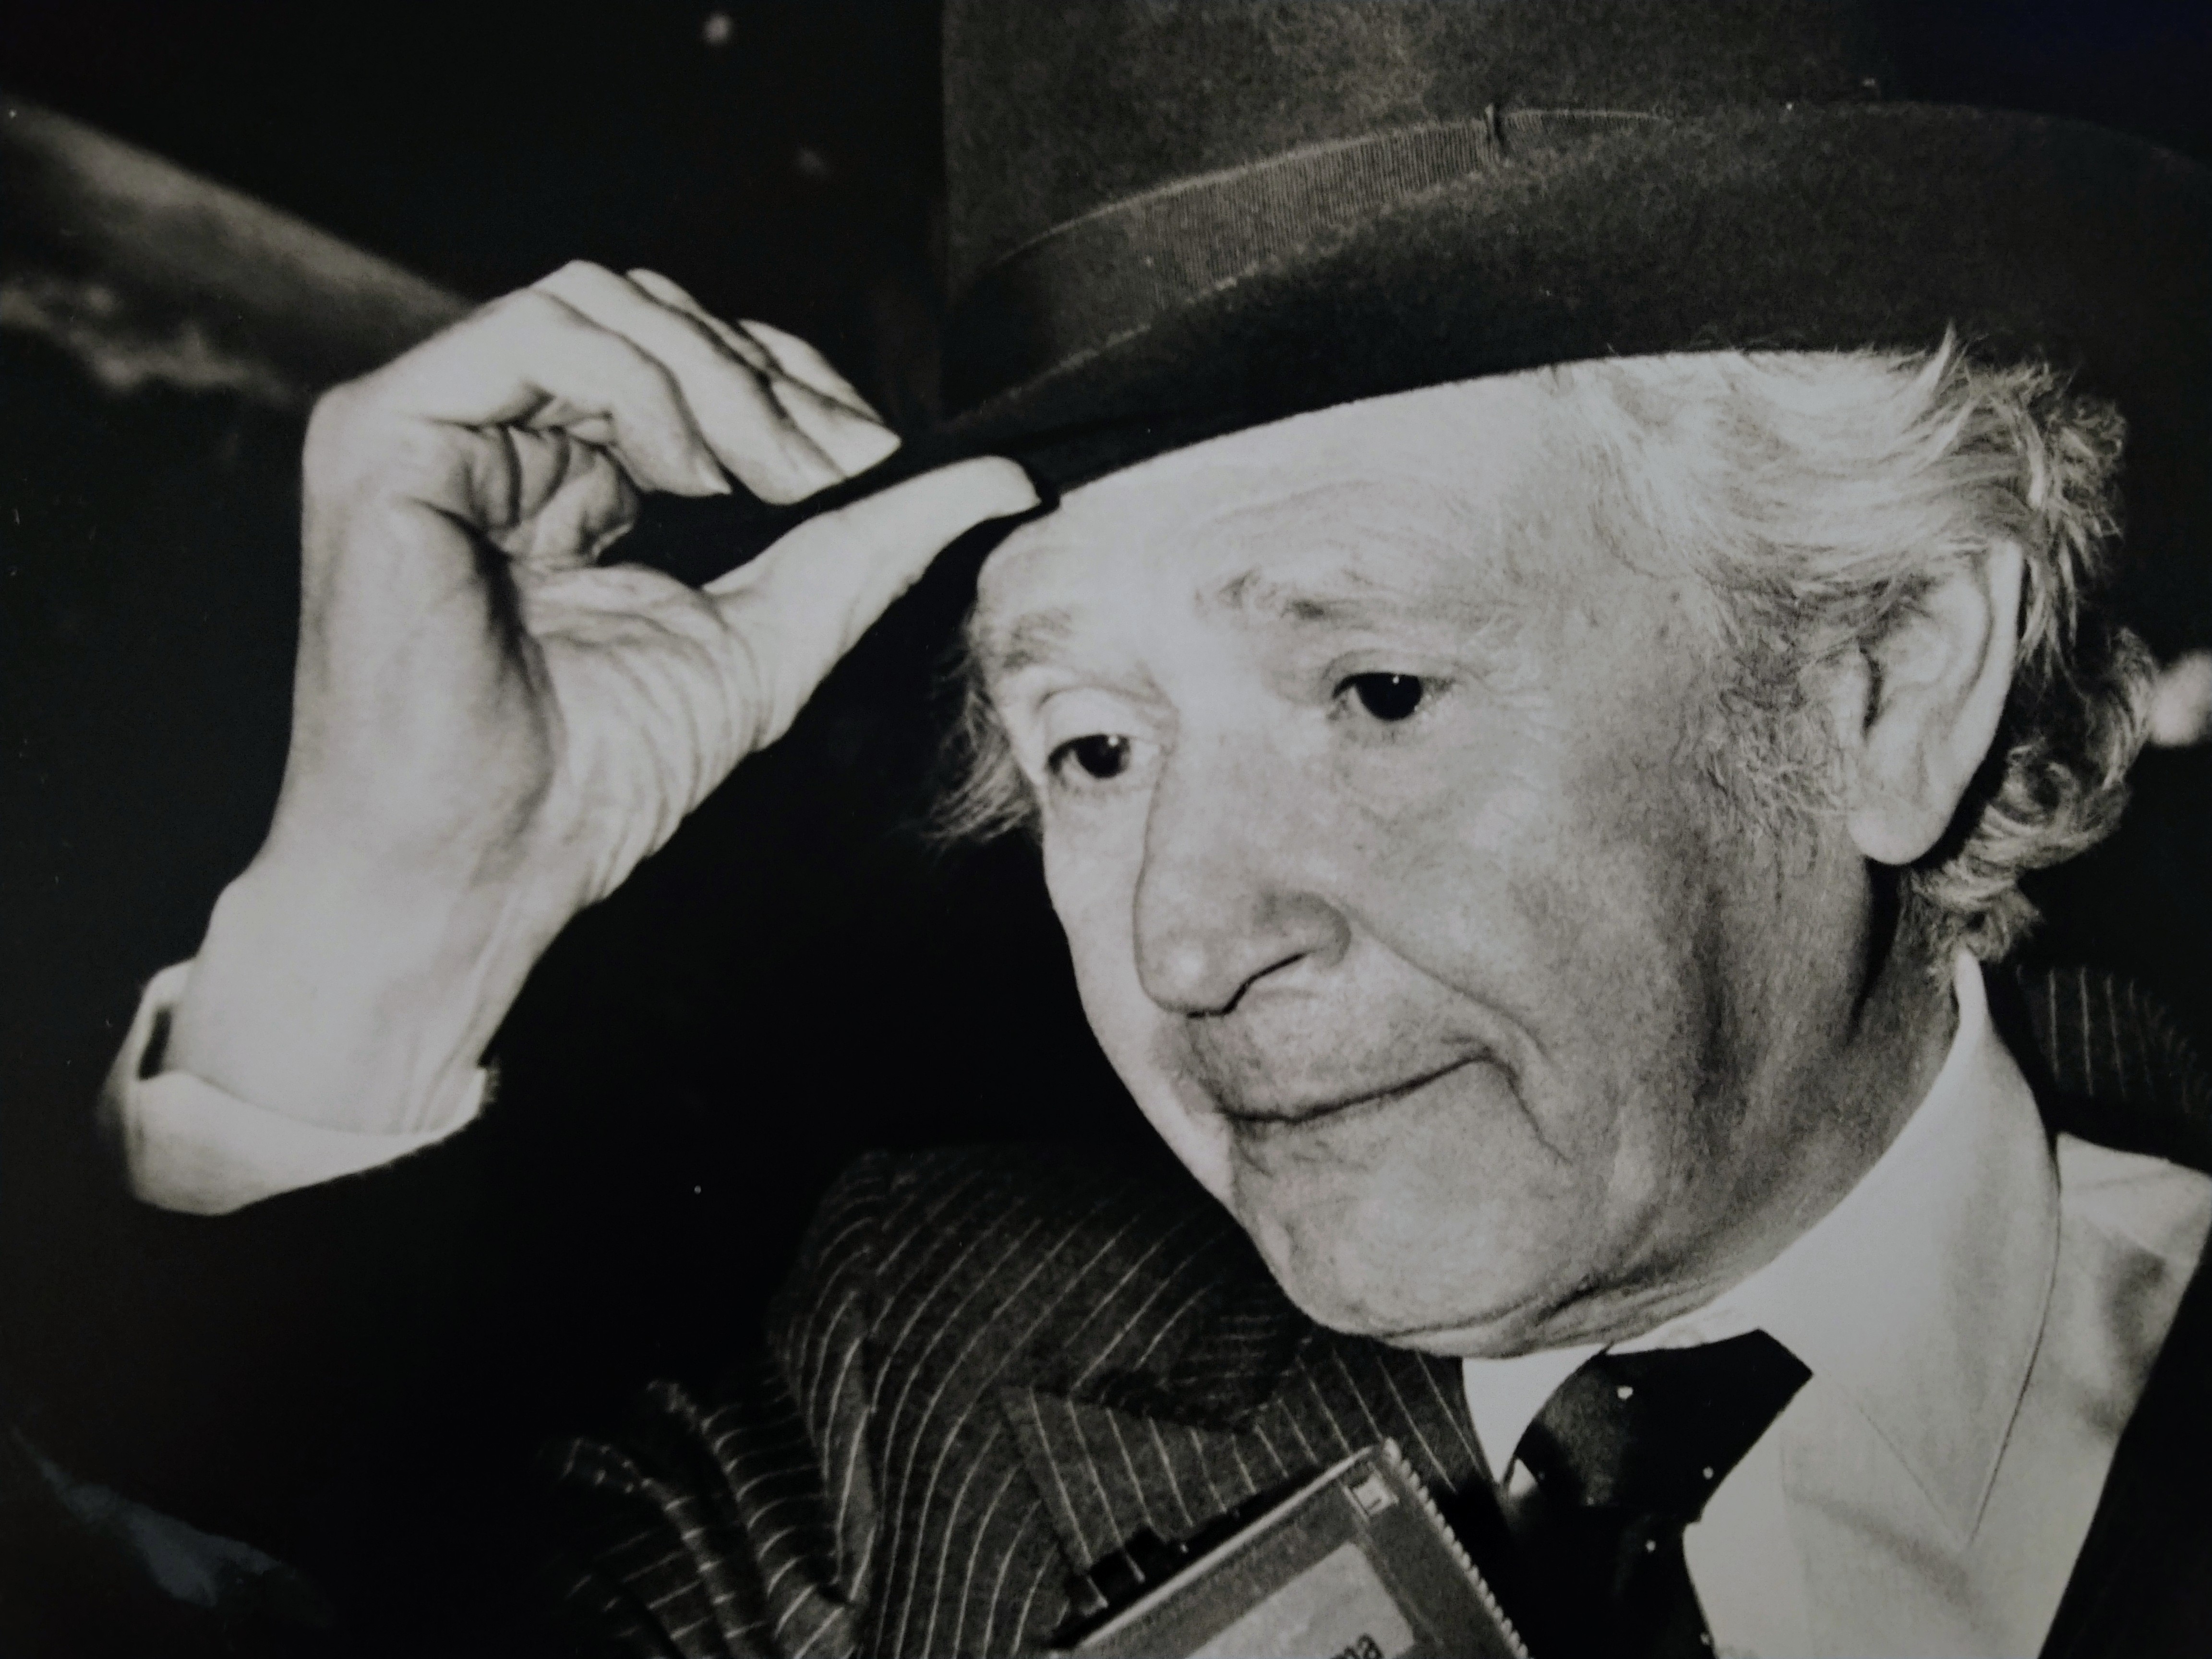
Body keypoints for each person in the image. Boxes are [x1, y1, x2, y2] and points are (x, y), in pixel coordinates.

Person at [88, 2, 2212, 1654]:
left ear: (1890, 677)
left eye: (1377, 692)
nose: (1187, 942)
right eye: (1092, 750)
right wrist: (402, 914)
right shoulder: (923, 1390)